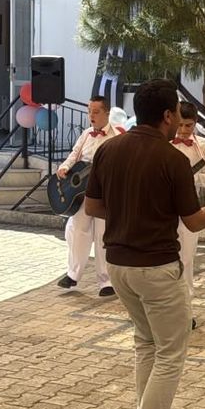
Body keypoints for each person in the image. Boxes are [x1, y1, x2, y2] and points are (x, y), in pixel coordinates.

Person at [84, 79, 205, 409]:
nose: (179, 117)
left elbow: (93, 207)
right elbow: (193, 222)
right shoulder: (172, 158)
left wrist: (127, 211)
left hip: (118, 266)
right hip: (157, 268)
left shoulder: (108, 150)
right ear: (166, 115)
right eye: (176, 111)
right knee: (171, 353)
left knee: (146, 343)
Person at [56, 96, 116, 297]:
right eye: (89, 110)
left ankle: (106, 282)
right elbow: (75, 154)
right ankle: (73, 274)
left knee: (102, 235)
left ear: (107, 112)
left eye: (96, 111)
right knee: (77, 230)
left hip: (104, 193)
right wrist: (65, 167)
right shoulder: (86, 134)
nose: (91, 115)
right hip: (82, 192)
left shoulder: (117, 136)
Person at [171, 101, 205, 328]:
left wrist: (191, 179)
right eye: (180, 125)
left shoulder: (203, 145)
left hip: (189, 207)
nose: (183, 131)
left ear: (195, 123)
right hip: (161, 208)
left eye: (188, 126)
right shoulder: (164, 141)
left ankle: (186, 312)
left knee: (186, 259)